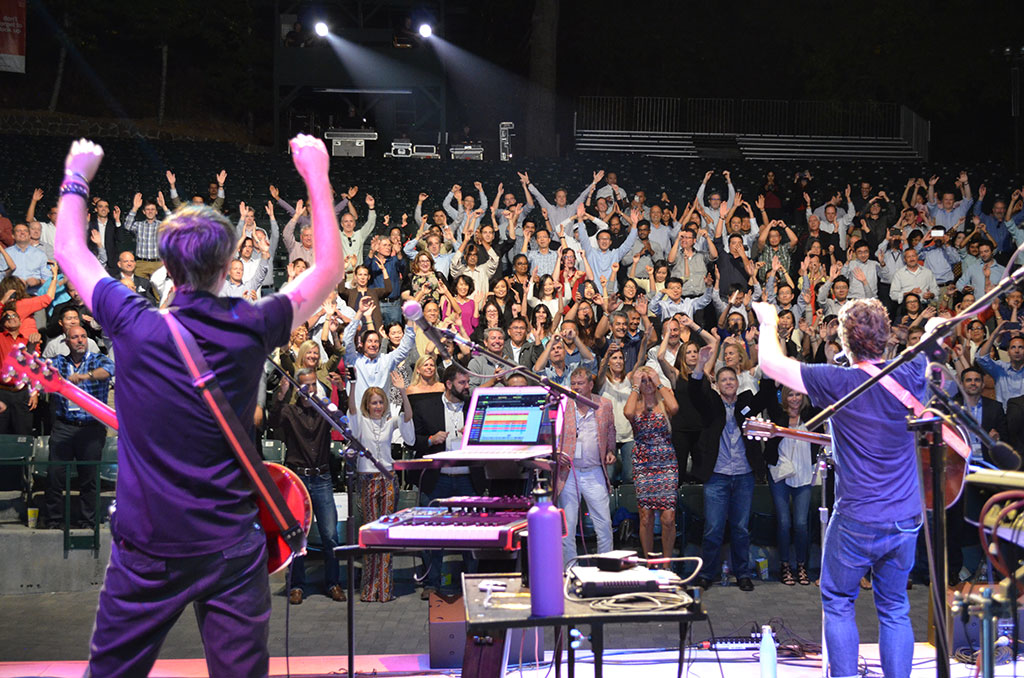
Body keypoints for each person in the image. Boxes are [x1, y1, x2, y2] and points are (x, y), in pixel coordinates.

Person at [55, 134, 343, 677]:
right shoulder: (251, 325)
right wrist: (316, 176)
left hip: (146, 548)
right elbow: (327, 268)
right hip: (231, 549)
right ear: (229, 260)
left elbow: (70, 251)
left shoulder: (131, 322)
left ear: (164, 263)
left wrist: (77, 175)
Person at [753, 297, 924, 678]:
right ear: (887, 340)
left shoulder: (838, 381)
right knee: (895, 607)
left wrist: (768, 322)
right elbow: (935, 350)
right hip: (905, 516)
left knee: (839, 600)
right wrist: (931, 332)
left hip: (858, 517)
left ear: (845, 343)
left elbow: (771, 364)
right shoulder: (912, 373)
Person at [688, 347, 775, 592]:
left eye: (731, 379)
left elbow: (767, 394)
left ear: (737, 382)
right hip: (716, 476)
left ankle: (743, 573)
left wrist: (764, 360)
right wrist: (700, 365)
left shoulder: (746, 402)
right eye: (723, 379)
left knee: (740, 528)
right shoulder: (712, 405)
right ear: (716, 384)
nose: (728, 382)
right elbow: (695, 393)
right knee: (713, 529)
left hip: (744, 475)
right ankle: (706, 574)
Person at [270, 368, 344, 605]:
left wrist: (339, 391)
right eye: (304, 385)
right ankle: (296, 585)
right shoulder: (290, 411)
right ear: (297, 387)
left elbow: (341, 417)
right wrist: (280, 395)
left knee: (330, 535)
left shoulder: (324, 411)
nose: (308, 389)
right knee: (297, 535)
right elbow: (272, 421)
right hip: (297, 479)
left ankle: (333, 582)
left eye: (312, 385)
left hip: (321, 477)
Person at [44, 325, 114, 529]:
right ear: (67, 342)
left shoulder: (97, 359)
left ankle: (87, 522)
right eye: (75, 337)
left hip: (91, 428)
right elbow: (39, 370)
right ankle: (53, 521)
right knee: (55, 476)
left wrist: (85, 376)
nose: (80, 340)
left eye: (83, 336)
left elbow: (109, 370)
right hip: (64, 426)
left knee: (89, 478)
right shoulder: (58, 362)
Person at [557, 366, 616, 565]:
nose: (576, 387)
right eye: (573, 384)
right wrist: (556, 453)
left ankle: (606, 566)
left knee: (604, 524)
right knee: (568, 526)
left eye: (580, 383)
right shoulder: (563, 405)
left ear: (591, 385)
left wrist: (610, 451)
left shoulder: (604, 405)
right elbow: (552, 433)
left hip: (594, 472)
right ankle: (570, 570)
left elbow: (610, 431)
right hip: (569, 473)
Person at [624, 365, 679, 560]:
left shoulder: (663, 403)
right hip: (643, 462)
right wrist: (635, 386)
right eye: (644, 381)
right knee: (646, 517)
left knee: (668, 518)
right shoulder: (635, 403)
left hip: (666, 462)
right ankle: (649, 562)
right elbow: (629, 413)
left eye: (650, 380)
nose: (647, 384)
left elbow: (675, 408)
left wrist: (659, 381)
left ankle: (666, 562)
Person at [764, 385, 817, 586]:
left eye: (798, 394)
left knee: (801, 524)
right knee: (784, 523)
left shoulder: (811, 415)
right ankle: (785, 565)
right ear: (785, 397)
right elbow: (767, 395)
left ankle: (801, 565)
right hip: (780, 473)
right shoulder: (778, 414)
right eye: (791, 394)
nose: (794, 398)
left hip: (804, 474)